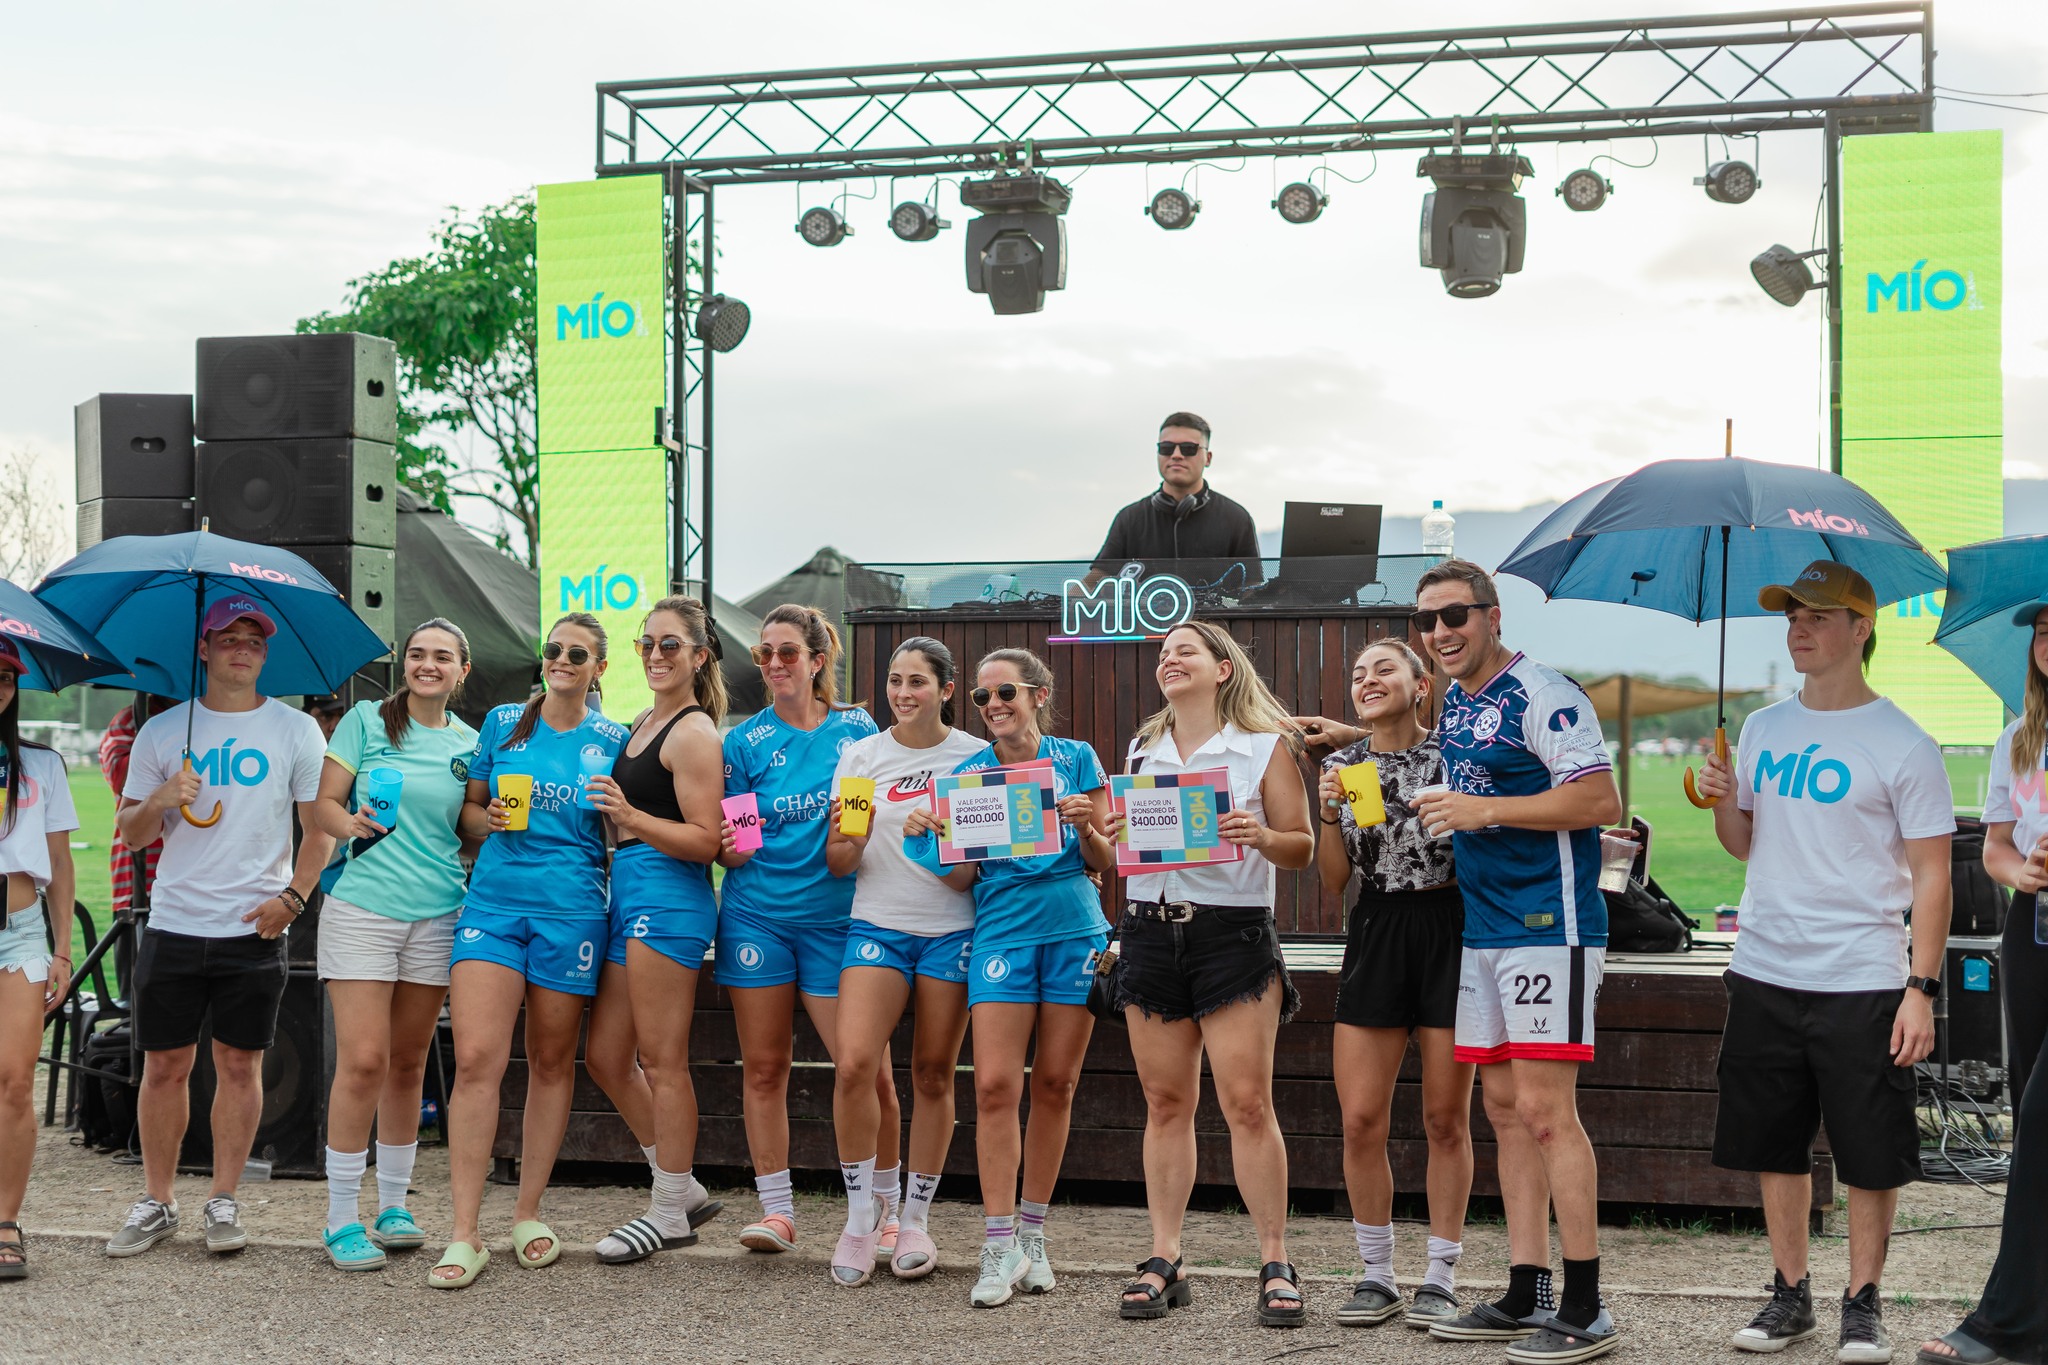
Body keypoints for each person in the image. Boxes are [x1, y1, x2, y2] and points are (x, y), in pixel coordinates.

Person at [1694, 561, 1953, 1364]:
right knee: (1774, 1141)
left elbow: (1934, 874)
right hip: (1766, 965)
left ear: (1861, 627)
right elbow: (1746, 845)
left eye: (1817, 615)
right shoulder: (1765, 727)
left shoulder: (1904, 741)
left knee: (1869, 1149)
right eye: (1791, 614)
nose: (1798, 627)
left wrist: (1922, 986)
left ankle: (1862, 1301)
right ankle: (1790, 1294)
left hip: (1864, 975)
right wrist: (1720, 800)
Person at [1406, 559, 1624, 1363]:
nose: (1440, 632)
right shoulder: (1458, 700)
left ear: (1493, 615)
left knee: (1543, 1110)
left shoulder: (1547, 693)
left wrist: (1483, 809)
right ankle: (1526, 1284)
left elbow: (1600, 801)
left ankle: (1587, 1302)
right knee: (1500, 1109)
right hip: (1486, 930)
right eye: (1427, 620)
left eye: (1455, 615)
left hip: (1549, 925)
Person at [1104, 622, 1314, 1327]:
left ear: (1222, 669)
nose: (1168, 659)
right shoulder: (1141, 748)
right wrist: (1110, 832)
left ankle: (1275, 1260)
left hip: (1232, 935)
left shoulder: (1262, 746)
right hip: (1148, 932)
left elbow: (1302, 847)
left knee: (1248, 1104)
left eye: (1183, 650)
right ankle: (1166, 1257)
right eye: (1162, 653)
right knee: (1166, 1104)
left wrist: (1260, 835)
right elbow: (1126, 847)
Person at [109, 598, 332, 1259]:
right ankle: (157, 1199)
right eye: (228, 638)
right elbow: (131, 833)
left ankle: (223, 1199)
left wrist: (293, 898)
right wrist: (160, 797)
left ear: (266, 654)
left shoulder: (295, 730)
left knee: (240, 1066)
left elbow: (319, 826)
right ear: (202, 649)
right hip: (176, 922)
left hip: (255, 928)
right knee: (164, 1067)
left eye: (254, 641)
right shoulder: (161, 732)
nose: (242, 648)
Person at [906, 646, 1115, 1309]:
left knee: (1056, 1083)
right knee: (995, 1085)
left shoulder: (1077, 758)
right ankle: (997, 1244)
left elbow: (1107, 859)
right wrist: (931, 836)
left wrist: (1088, 827)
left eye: (1006, 693)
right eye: (981, 698)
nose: (994, 706)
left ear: (1039, 694)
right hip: (1000, 932)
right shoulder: (966, 775)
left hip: (1076, 929)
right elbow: (963, 876)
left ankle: (1033, 1232)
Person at [432, 612, 628, 1288]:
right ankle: (464, 1232)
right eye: (553, 649)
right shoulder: (504, 722)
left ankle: (526, 1212)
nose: (562, 659)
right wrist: (484, 820)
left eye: (578, 653)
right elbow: (468, 812)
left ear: (600, 667)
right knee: (478, 1059)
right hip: (492, 904)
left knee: (551, 1060)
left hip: (572, 911)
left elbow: (622, 834)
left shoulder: (614, 738)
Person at [1302, 638, 1474, 1331]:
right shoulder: (1346, 766)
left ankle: (1441, 1274)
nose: (1367, 680)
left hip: (1449, 927)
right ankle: (1376, 1274)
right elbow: (1337, 879)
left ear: (1420, 682)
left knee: (1443, 1118)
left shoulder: (1455, 757)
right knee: (1361, 1117)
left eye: (1384, 669)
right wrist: (1325, 811)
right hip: (1376, 931)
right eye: (1357, 673)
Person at [716, 604, 895, 1255]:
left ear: (818, 660)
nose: (772, 663)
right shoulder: (742, 742)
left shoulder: (858, 727)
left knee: (866, 1068)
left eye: (786, 651)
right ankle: (777, 1212)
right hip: (757, 916)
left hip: (841, 922)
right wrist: (728, 840)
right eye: (764, 652)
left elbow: (866, 814)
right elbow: (737, 842)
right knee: (764, 1067)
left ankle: (889, 1210)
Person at [304, 619, 477, 1270]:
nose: (426, 664)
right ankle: (340, 1218)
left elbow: (467, 822)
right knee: (366, 1061)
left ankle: (395, 1205)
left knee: (409, 1062)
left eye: (441, 656)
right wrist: (344, 821)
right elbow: (322, 804)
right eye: (416, 654)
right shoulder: (366, 722)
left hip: (437, 913)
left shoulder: (469, 741)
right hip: (363, 910)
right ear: (404, 663)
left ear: (462, 670)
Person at [823, 637, 984, 1286]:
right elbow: (839, 863)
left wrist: (941, 834)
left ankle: (914, 1218)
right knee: (855, 1062)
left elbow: (968, 875)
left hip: (951, 929)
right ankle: (863, 1215)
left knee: (933, 1073)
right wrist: (848, 835)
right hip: (877, 926)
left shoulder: (976, 757)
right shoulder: (861, 755)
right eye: (894, 680)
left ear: (946, 689)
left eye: (917, 681)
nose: (902, 693)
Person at [1918, 601, 2048, 1365]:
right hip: (2031, 935)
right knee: (2035, 1131)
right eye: (2038, 631)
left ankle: (2006, 1325)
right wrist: (2021, 872)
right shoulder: (2019, 741)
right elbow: (1997, 848)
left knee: (2041, 1121)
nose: (2043, 643)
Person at [586, 597, 728, 1264]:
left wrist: (631, 819)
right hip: (629, 892)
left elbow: (706, 840)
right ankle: (685, 1186)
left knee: (663, 1060)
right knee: (607, 1056)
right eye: (647, 643)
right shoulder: (643, 720)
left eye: (671, 645)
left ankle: (669, 1209)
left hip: (669, 900)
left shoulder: (695, 733)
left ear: (700, 656)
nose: (655, 654)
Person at [0, 641, 79, 1278]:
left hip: (21, 931)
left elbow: (59, 862)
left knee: (15, 1080)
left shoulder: (42, 765)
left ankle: (5, 1222)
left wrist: (60, 948)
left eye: (5, 677)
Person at [1089, 412, 1263, 592]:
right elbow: (1093, 582)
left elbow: (1253, 589)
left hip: (1211, 622)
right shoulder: (1129, 518)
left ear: (1208, 458)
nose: (1176, 455)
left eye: (1188, 448)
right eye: (1166, 448)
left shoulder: (1236, 518)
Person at [98, 693, 172, 917]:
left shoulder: (217, 717)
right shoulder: (131, 719)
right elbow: (121, 779)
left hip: (202, 876)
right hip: (139, 876)